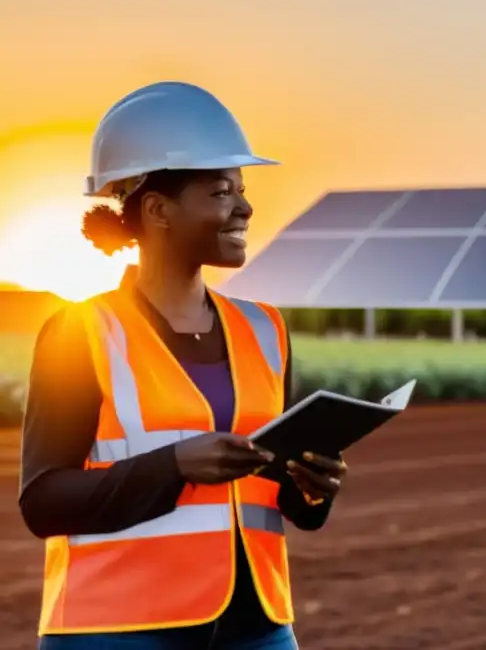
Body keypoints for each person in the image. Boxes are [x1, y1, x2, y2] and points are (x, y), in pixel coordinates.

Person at [19, 81, 347, 649]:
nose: (245, 207)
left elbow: (285, 502)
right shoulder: (81, 333)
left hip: (258, 626)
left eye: (242, 191)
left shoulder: (265, 329)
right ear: (157, 211)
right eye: (222, 192)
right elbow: (43, 503)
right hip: (117, 629)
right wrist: (173, 465)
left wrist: (314, 487)